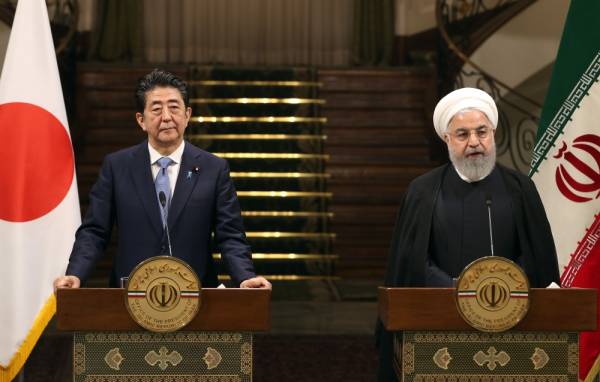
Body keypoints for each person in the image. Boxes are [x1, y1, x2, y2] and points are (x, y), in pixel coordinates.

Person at [376, 87, 560, 381]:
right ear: (447, 139)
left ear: (493, 133)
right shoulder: (423, 191)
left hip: (513, 323)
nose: (474, 142)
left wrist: (503, 288)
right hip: (440, 326)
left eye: (481, 132)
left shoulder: (520, 188)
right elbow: (412, 262)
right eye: (462, 134)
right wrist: (459, 290)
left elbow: (537, 255)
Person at [54, 69, 271, 290]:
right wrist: (76, 274)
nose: (166, 117)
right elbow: (95, 231)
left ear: (187, 115)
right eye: (156, 109)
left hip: (195, 298)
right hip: (131, 297)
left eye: (174, 108)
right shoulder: (117, 166)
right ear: (141, 120)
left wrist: (244, 277)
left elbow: (230, 235)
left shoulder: (213, 168)